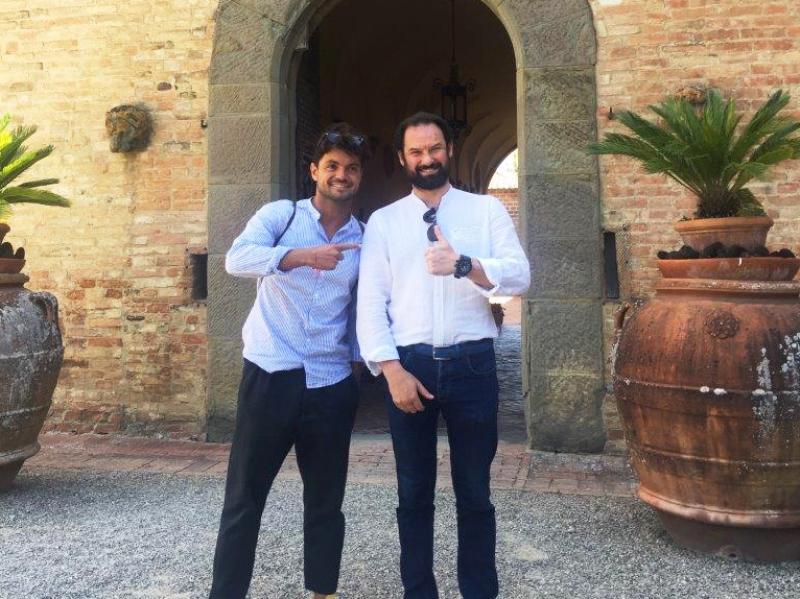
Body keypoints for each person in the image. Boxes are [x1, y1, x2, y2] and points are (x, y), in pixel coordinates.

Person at [357, 112, 530, 599]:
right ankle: (419, 592)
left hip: (472, 365)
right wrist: (390, 370)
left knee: (474, 492)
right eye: (416, 152)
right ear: (402, 158)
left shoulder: (485, 211)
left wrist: (464, 264)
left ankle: (479, 592)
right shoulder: (385, 222)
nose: (427, 159)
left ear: (449, 151)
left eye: (434, 149)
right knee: (413, 493)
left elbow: (520, 275)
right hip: (409, 366)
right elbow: (370, 302)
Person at [209, 123, 369, 599]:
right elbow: (236, 259)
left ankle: (323, 592)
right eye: (333, 166)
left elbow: (362, 306)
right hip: (270, 376)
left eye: (352, 168)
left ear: (360, 177)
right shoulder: (281, 215)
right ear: (314, 170)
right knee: (244, 497)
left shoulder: (365, 238)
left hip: (330, 384)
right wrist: (300, 256)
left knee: (326, 501)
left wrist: (359, 364)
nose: (341, 175)